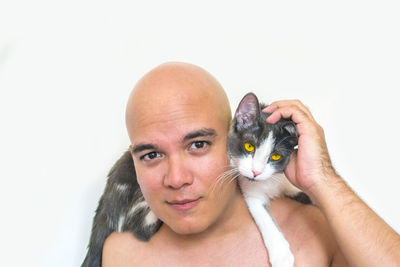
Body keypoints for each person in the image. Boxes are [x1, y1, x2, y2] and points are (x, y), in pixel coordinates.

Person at [102, 62, 400, 266]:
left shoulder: (314, 234)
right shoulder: (121, 255)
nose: (177, 178)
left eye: (198, 145)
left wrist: (322, 178)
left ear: (232, 136)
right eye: (151, 155)